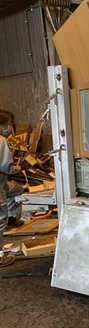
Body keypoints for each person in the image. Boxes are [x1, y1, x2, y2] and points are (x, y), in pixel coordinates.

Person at [0, 112, 23, 267]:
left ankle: (13, 219)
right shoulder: (1, 141)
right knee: (0, 219)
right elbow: (6, 166)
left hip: (3, 184)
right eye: (7, 125)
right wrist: (18, 167)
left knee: (17, 189)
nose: (8, 128)